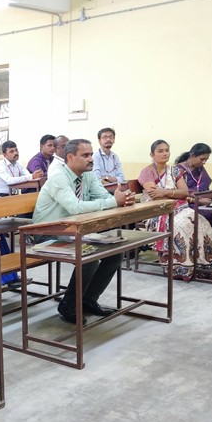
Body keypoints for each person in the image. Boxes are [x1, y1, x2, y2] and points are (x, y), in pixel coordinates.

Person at [33, 139, 136, 325]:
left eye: (91, 155)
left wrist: (121, 198)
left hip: (73, 229)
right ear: (70, 157)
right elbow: (75, 207)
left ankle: (88, 299)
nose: (91, 159)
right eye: (85, 155)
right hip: (46, 232)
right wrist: (114, 202)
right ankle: (68, 305)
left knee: (115, 253)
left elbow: (104, 197)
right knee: (89, 255)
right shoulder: (59, 177)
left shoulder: (87, 175)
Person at [138, 140, 212, 280]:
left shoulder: (175, 171)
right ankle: (178, 268)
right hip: (157, 210)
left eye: (167, 150)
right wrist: (174, 193)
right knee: (179, 226)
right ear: (152, 154)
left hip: (179, 207)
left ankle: (202, 266)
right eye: (160, 151)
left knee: (202, 222)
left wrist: (166, 192)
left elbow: (185, 192)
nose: (165, 153)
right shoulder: (147, 172)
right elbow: (155, 194)